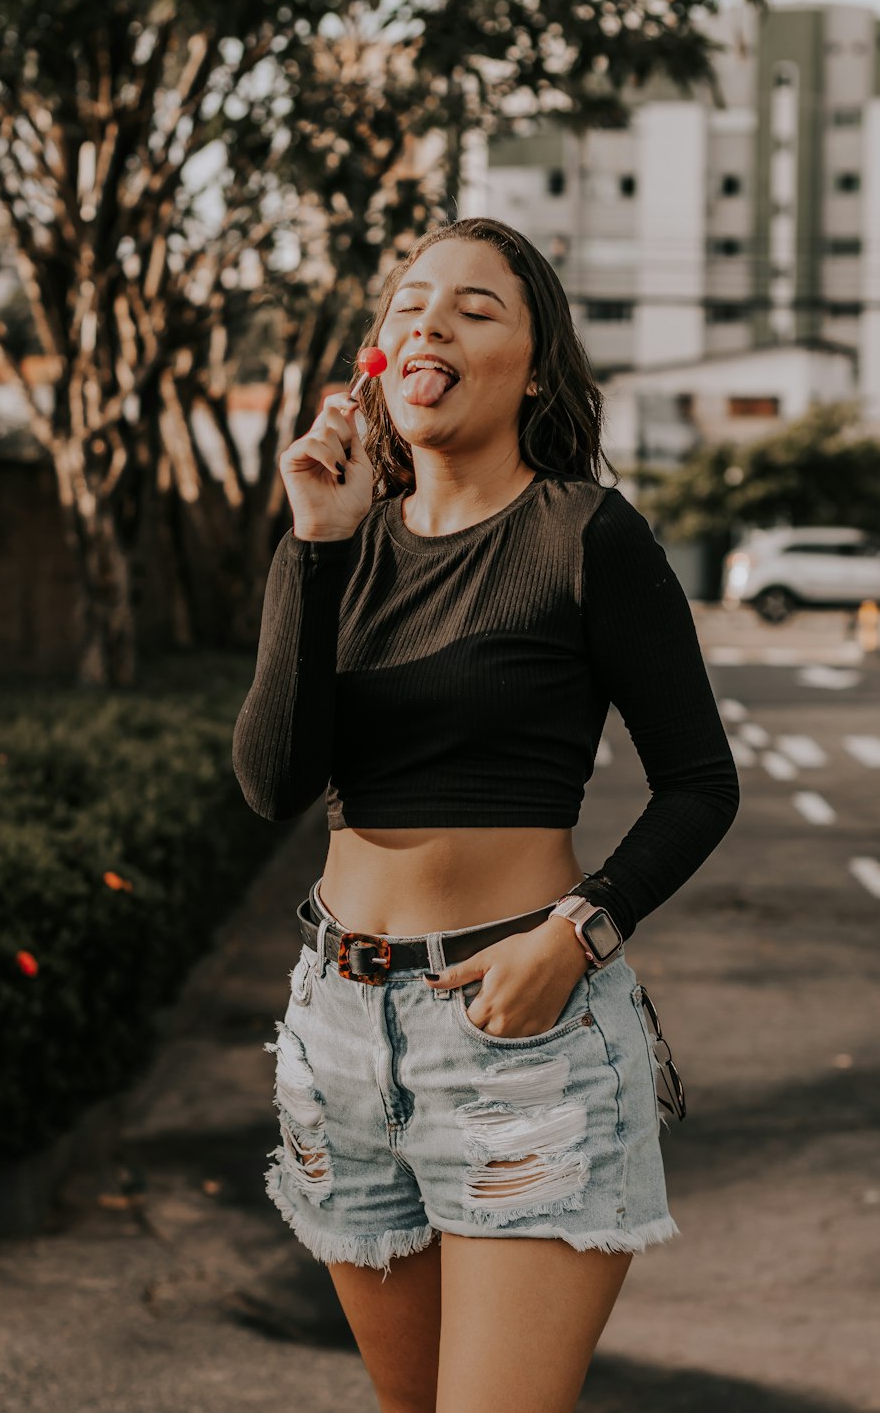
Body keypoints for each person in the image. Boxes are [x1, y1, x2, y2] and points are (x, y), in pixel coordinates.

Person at [232, 216, 740, 1413]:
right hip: (338, 1034)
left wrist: (580, 932)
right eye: (411, 302)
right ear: (377, 353)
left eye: (475, 307)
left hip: (522, 1038)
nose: (431, 322)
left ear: (533, 363)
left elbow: (700, 783)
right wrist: (314, 547)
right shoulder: (330, 541)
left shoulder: (584, 536)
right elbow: (271, 783)